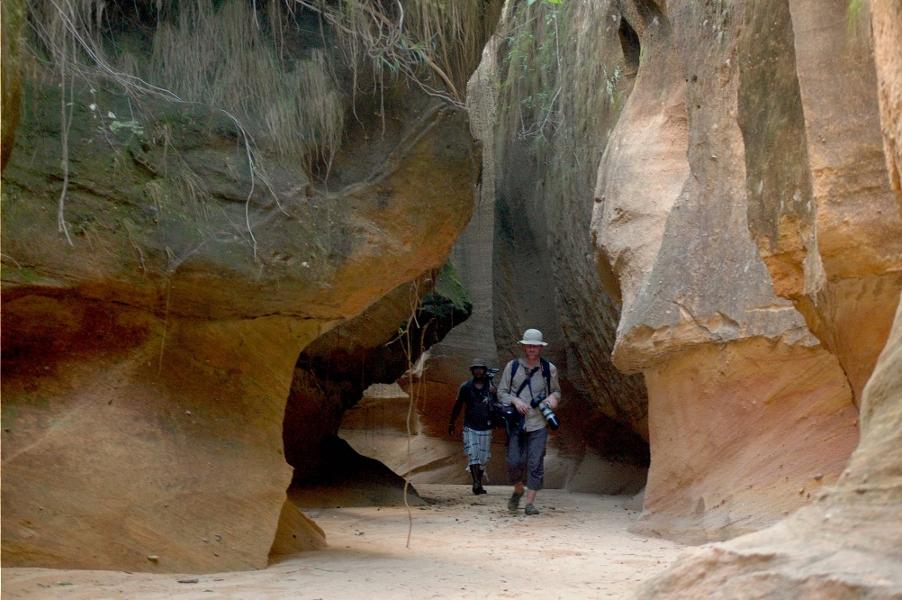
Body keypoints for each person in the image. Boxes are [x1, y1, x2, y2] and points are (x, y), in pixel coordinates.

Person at [497, 328, 561, 515]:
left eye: (535, 346)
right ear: (524, 347)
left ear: (540, 348)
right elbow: (502, 393)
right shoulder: (513, 367)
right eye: (529, 346)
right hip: (516, 423)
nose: (532, 349)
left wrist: (552, 399)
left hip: (538, 423)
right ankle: (518, 489)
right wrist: (515, 401)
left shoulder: (549, 369)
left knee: (535, 463)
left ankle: (529, 504)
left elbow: (556, 391)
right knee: (513, 461)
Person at [448, 358, 496, 495]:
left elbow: (498, 405)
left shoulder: (491, 387)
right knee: (473, 454)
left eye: (481, 368)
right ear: (472, 371)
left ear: (485, 371)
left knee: (483, 457)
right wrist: (452, 422)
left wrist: (495, 394)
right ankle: (476, 483)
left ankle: (479, 484)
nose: (478, 371)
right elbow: (458, 406)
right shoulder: (466, 387)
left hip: (486, 427)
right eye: (476, 368)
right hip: (470, 426)